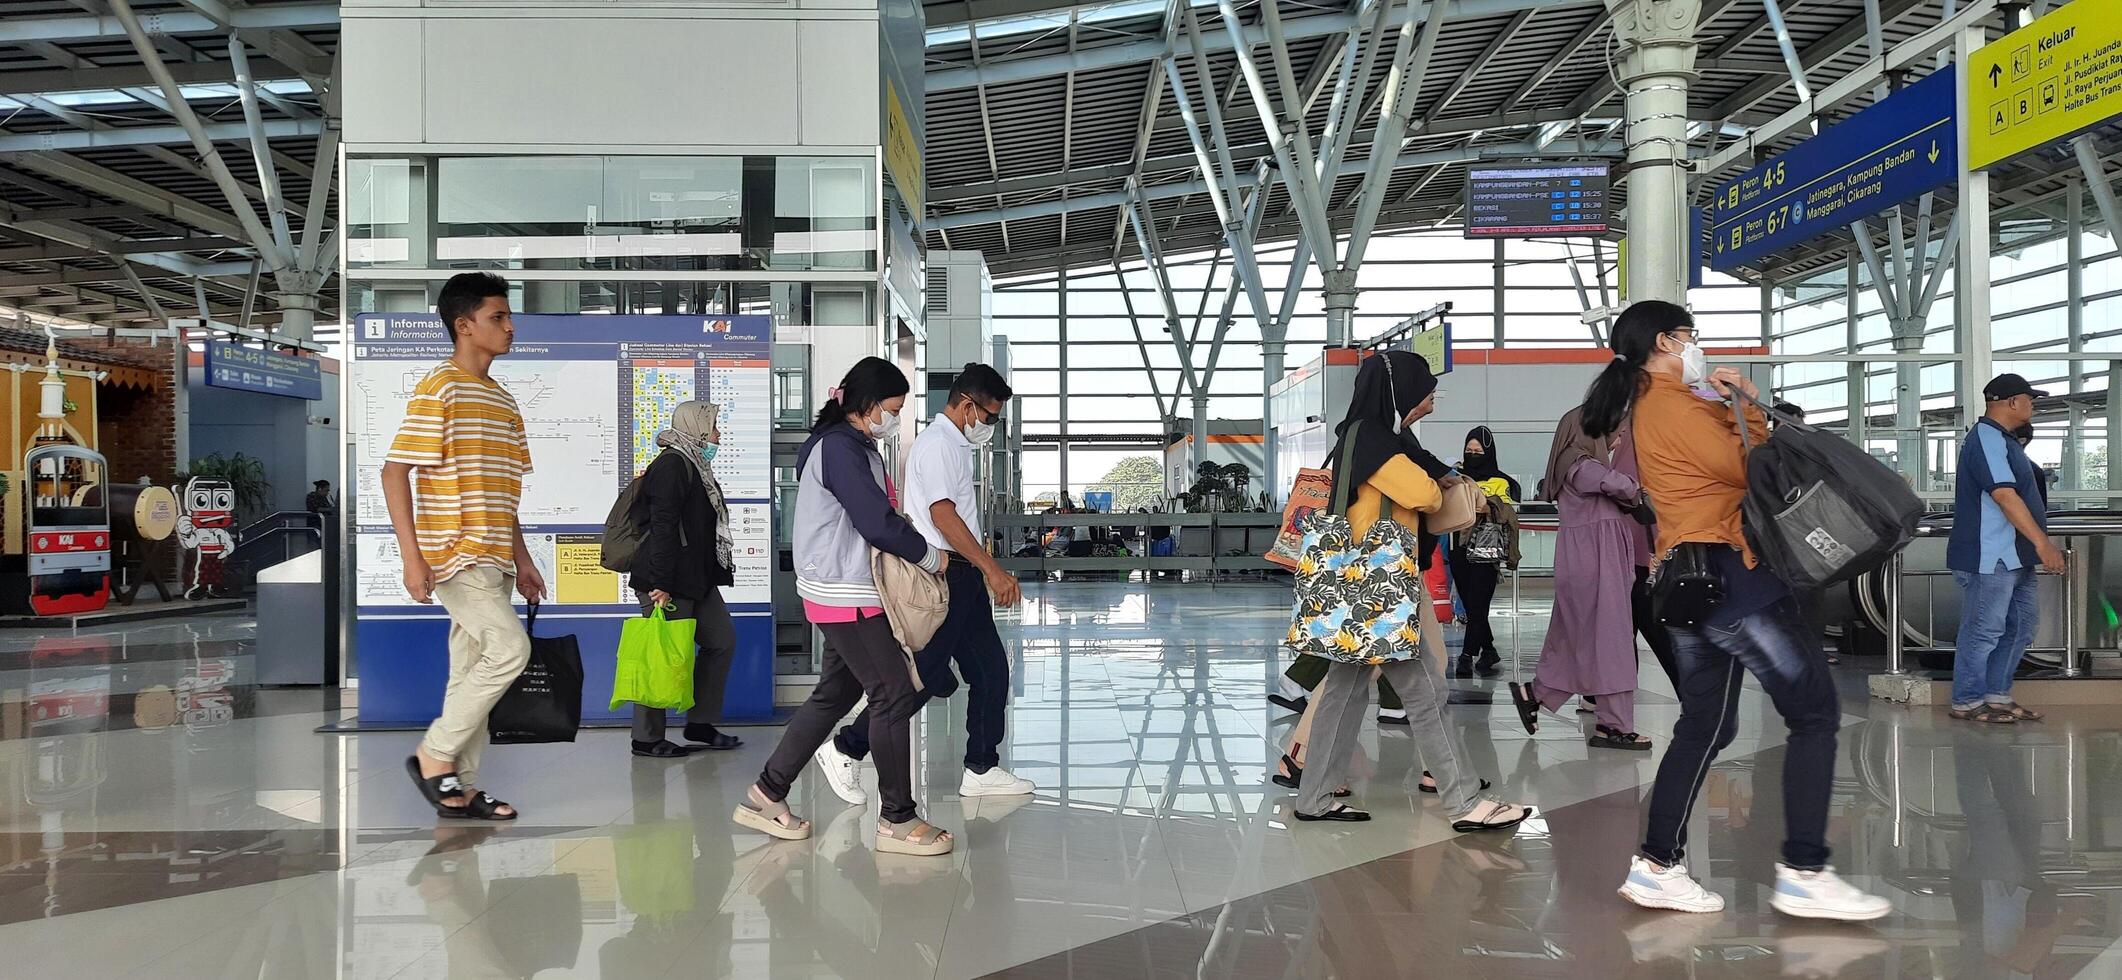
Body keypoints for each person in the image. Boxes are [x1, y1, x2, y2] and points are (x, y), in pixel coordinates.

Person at [1590, 300, 1888, 921]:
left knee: (1706, 724)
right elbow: (1751, 468)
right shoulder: (1671, 406)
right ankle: (1805, 869)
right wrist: (1748, 404)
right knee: (1814, 713)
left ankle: (1657, 866)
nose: (1699, 346)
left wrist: (1734, 403)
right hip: (1731, 576)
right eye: (1692, 336)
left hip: (1692, 581)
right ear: (1668, 342)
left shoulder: (1662, 403)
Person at [1283, 349, 1529, 833]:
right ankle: (1463, 802)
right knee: (1425, 690)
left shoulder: (1363, 435)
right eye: (1425, 391)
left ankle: (1313, 797)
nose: (1430, 400)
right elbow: (1422, 495)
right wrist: (1438, 483)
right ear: (1398, 391)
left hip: (1354, 584)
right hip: (1378, 585)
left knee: (1344, 691)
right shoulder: (1376, 440)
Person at [736, 357, 954, 857]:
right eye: (892, 409)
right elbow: (876, 522)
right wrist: (930, 555)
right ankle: (897, 819)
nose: (894, 419)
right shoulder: (839, 448)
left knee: (834, 696)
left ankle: (765, 794)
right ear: (866, 405)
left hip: (840, 588)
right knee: (894, 694)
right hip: (846, 592)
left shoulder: (853, 446)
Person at [811, 363, 1035, 802]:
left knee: (990, 669)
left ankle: (982, 767)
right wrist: (992, 568)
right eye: (989, 416)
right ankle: (847, 747)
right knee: (925, 675)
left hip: (962, 575)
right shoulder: (937, 446)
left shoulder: (954, 445)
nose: (990, 425)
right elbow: (943, 516)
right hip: (946, 574)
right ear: (967, 405)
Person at [384, 271, 542, 822]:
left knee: (469, 670)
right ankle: (435, 753)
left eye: (507, 315)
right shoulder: (441, 387)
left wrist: (522, 560)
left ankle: (460, 789)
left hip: (495, 559)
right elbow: (393, 472)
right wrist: (412, 557)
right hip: (456, 554)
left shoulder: (502, 400)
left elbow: (504, 495)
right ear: (464, 325)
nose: (509, 326)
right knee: (510, 652)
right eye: (498, 317)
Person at [1510, 406, 1656, 751]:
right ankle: (1615, 725)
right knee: (1612, 641)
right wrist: (1637, 490)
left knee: (1581, 639)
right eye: (1614, 434)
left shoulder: (1573, 464)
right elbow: (1620, 485)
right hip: (1596, 564)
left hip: (1589, 561)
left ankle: (1538, 694)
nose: (1617, 441)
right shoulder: (1580, 465)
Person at [625, 400, 743, 758]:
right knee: (661, 654)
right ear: (698, 428)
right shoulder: (673, 465)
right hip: (667, 578)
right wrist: (660, 581)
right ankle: (646, 738)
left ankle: (700, 723)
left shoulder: (696, 465)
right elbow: (662, 527)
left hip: (696, 577)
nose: (718, 435)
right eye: (714, 428)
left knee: (721, 640)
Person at [1947, 374, 2061, 725]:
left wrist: (2033, 546)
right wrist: (2043, 543)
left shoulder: (2005, 441)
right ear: (2012, 402)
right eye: (2030, 399)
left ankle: (1997, 695)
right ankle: (1966, 699)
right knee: (1984, 629)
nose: (2033, 405)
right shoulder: (1986, 439)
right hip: (1989, 555)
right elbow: (2004, 495)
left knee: (2022, 626)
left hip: (2015, 555)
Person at [1449, 425, 1519, 679]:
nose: (1472, 455)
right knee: (1470, 603)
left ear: (1488, 453)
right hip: (1458, 546)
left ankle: (1467, 656)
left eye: (1478, 451)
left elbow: (1507, 511)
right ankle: (1488, 649)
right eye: (1469, 450)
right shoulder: (1455, 476)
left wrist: (1486, 504)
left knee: (1479, 602)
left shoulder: (1500, 481)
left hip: (1486, 549)